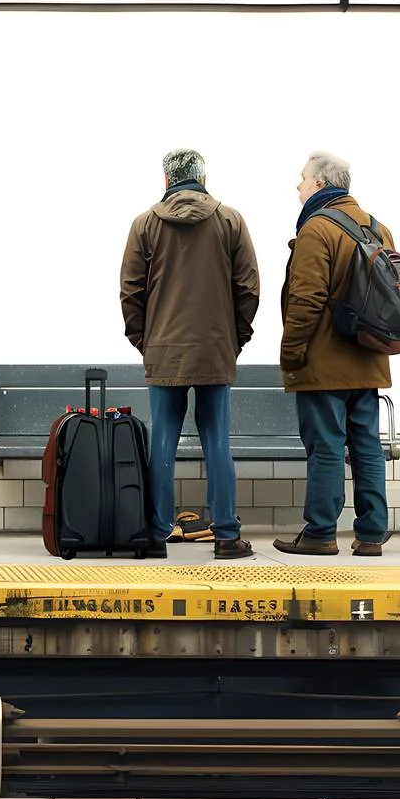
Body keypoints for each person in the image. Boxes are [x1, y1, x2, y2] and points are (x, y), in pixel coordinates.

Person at [120, 148, 260, 561]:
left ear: (166, 180)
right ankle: (227, 535)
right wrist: (234, 339)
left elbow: (131, 291)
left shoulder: (144, 224)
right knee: (217, 439)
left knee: (162, 440)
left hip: (164, 350)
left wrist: (145, 341)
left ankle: (156, 532)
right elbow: (248, 287)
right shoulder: (230, 221)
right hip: (215, 349)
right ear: (203, 177)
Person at [273, 151, 391, 557]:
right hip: (370, 359)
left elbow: (305, 299)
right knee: (367, 446)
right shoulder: (378, 228)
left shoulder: (317, 230)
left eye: (303, 178)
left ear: (320, 184)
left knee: (325, 446)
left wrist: (291, 353)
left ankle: (321, 533)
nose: (298, 185)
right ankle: (372, 533)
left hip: (324, 364)